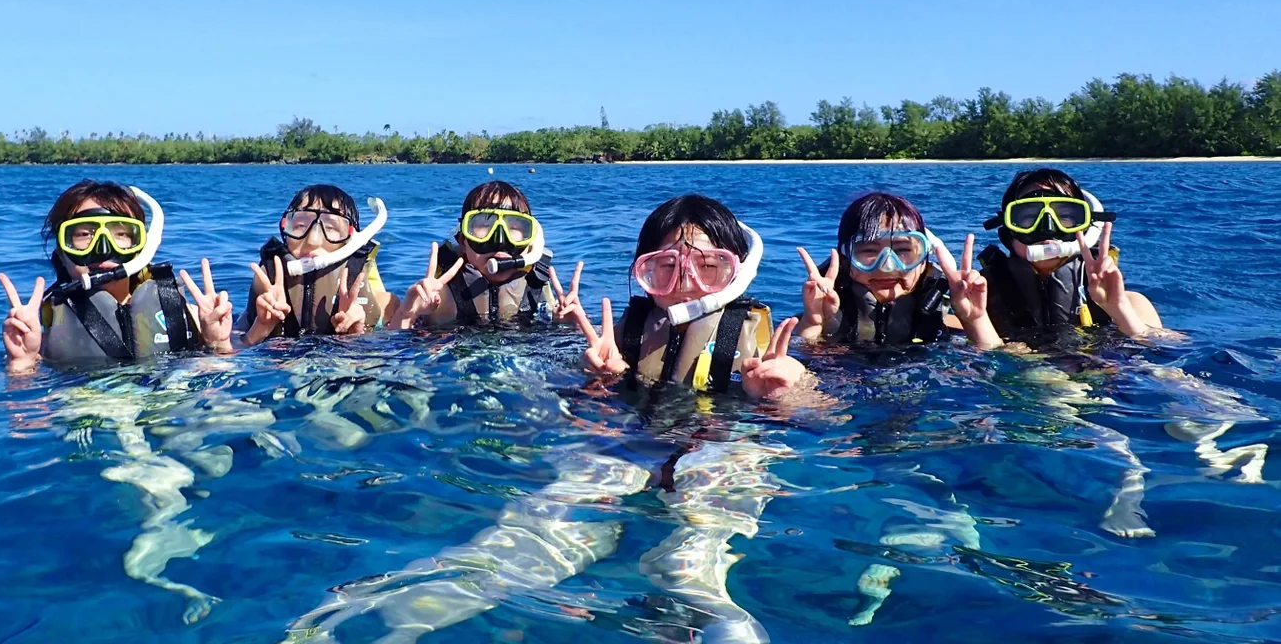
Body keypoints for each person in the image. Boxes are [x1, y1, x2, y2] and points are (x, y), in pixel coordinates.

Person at [577, 193, 809, 399]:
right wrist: (598, 374)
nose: (685, 285)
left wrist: (792, 392)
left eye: (707, 267)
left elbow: (818, 416)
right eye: (668, 267)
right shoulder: (625, 334)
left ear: (737, 274)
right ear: (646, 271)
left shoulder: (761, 347)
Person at [0, 179, 232, 373]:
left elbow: (228, 369)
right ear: (61, 250)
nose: (102, 249)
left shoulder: (189, 313)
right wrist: (21, 362)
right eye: (83, 234)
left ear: (142, 246)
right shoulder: (41, 332)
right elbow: (25, 415)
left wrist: (219, 343)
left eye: (121, 234)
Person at [795, 191, 1002, 350]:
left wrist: (975, 319)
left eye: (903, 250)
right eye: (868, 250)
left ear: (924, 262)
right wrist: (813, 323)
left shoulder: (945, 319)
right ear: (846, 260)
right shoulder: (824, 314)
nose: (888, 266)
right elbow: (797, 366)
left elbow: (994, 369)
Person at [978, 168, 1162, 340]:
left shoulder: (1133, 304)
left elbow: (1166, 356)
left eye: (1065, 217)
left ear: (1085, 228)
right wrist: (974, 321)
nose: (1048, 229)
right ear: (1008, 234)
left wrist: (1119, 310)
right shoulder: (982, 306)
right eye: (1028, 217)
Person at [392, 181, 569, 329]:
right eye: (484, 226)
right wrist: (408, 314)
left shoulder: (537, 286)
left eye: (514, 227)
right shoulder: (437, 296)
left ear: (530, 241)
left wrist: (570, 324)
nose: (500, 240)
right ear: (463, 241)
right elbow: (394, 351)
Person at [241, 184, 395, 344]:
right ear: (285, 227)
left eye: (331, 227)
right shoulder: (268, 286)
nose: (313, 240)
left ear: (351, 239)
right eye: (300, 225)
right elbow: (231, 351)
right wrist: (260, 328)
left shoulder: (380, 301)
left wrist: (357, 335)